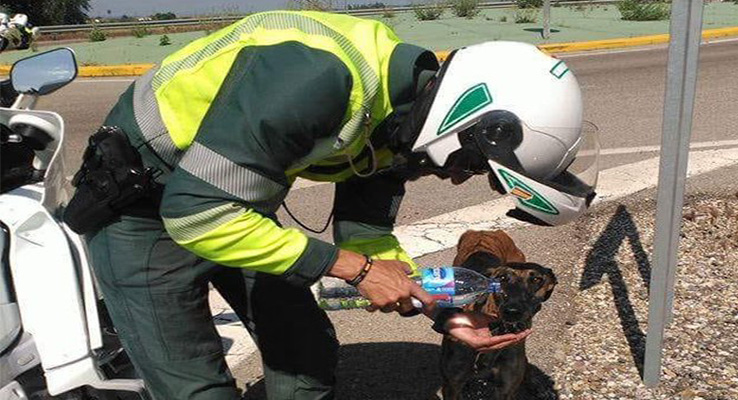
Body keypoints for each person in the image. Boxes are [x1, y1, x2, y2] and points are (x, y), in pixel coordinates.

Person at [71, 10, 599, 400]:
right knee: (194, 385)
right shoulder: (312, 81)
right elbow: (199, 214)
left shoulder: (404, 116)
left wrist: (440, 311)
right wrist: (358, 270)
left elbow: (365, 228)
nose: (459, 179)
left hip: (232, 203)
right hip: (143, 209)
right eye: (471, 164)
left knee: (305, 352)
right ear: (473, 119)